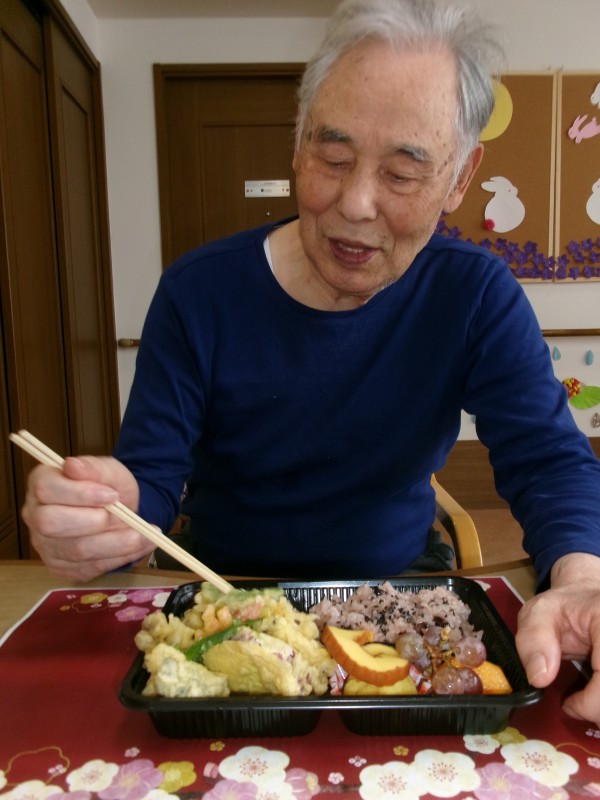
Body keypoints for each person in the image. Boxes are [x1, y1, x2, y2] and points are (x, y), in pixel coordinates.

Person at [21, 0, 600, 725]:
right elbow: (151, 485)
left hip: (394, 591)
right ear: (298, 143)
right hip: (222, 591)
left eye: (402, 173)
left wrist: (583, 581)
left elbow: (549, 462)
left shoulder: (474, 294)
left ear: (459, 178)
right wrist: (103, 519)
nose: (355, 204)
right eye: (333, 158)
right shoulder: (198, 292)